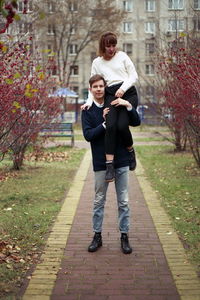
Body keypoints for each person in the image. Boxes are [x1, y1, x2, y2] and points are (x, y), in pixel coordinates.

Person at [81, 74, 140, 254]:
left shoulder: (115, 103)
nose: (98, 89)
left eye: (101, 86)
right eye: (95, 87)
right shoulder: (87, 110)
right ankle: (97, 236)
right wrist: (104, 124)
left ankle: (124, 236)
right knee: (99, 201)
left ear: (105, 87)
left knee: (123, 201)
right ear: (90, 90)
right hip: (101, 162)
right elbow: (88, 135)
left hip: (121, 158)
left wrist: (128, 105)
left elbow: (136, 122)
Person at [82, 32, 139, 183]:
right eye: (108, 46)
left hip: (127, 93)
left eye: (114, 45)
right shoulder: (97, 62)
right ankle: (109, 166)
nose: (111, 48)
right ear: (103, 46)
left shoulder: (122, 57)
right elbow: (92, 84)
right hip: (111, 95)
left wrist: (123, 89)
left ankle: (130, 151)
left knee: (121, 126)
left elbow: (134, 76)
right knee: (110, 125)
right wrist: (89, 102)